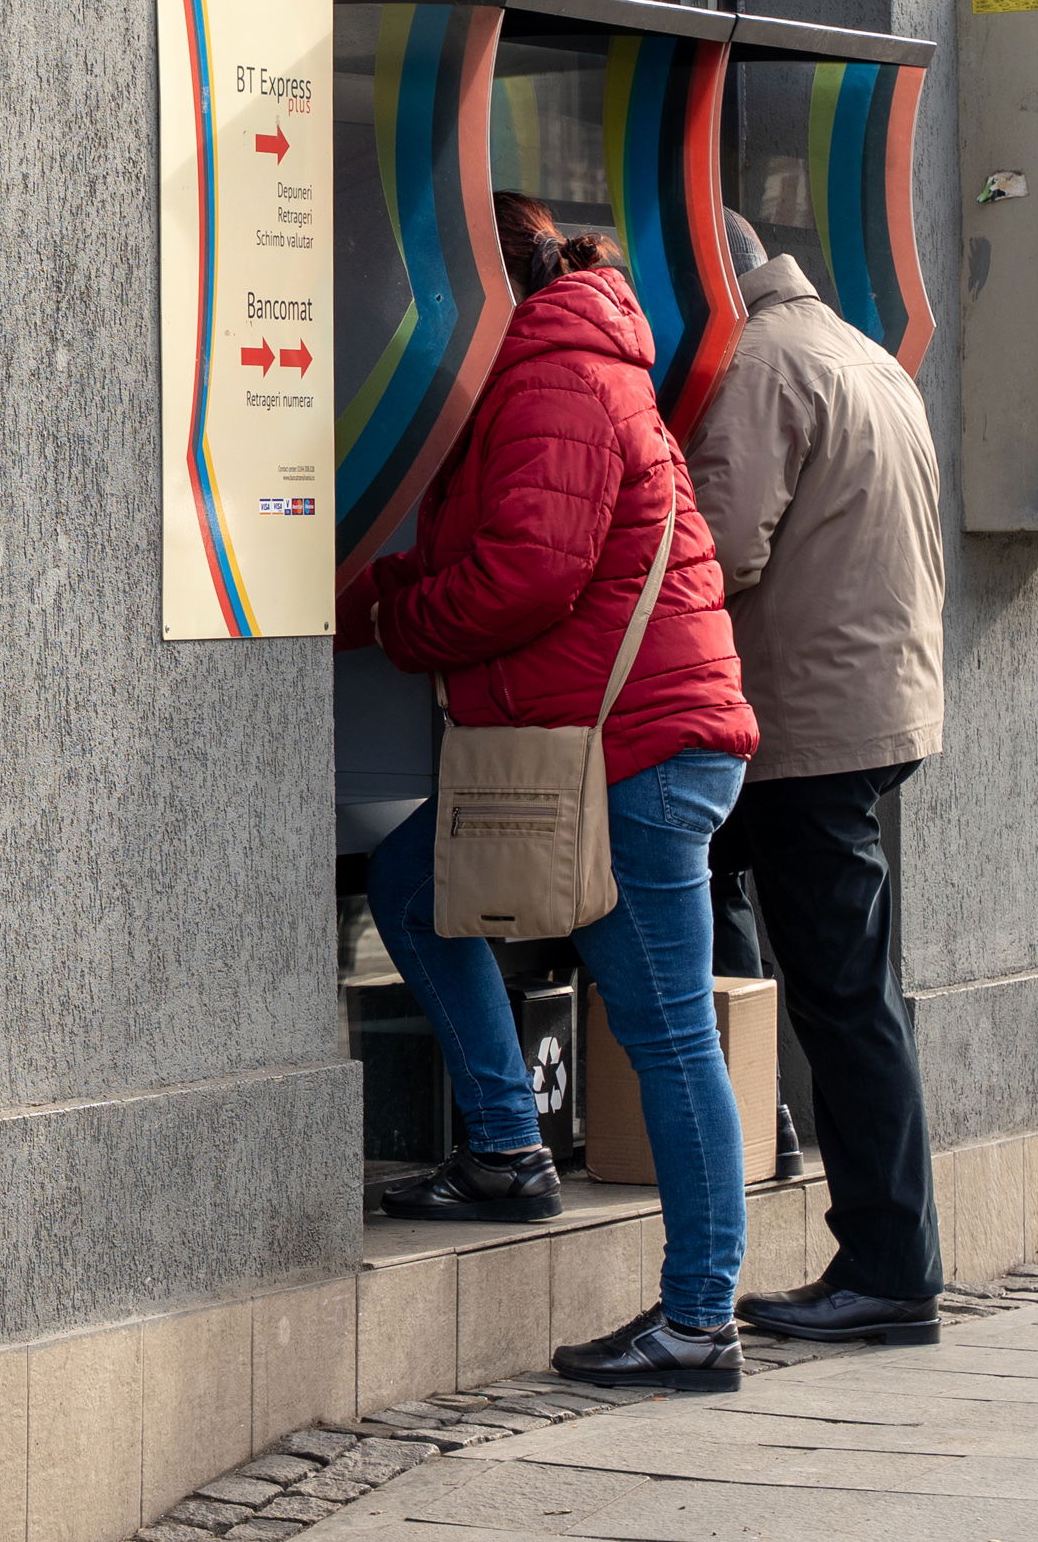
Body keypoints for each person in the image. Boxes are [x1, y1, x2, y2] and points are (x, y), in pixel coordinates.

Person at [338, 192, 760, 1391]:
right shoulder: (564, 363)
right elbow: (500, 533)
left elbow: (527, 571)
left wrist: (403, 624)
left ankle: (698, 1318)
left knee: (672, 1035)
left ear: (491, 285)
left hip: (634, 751)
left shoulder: (553, 377)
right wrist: (367, 596)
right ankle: (507, 1146)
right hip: (627, 741)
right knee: (413, 887)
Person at [684, 211, 948, 1346]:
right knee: (724, 889)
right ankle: (760, 1125)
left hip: (806, 722)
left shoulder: (762, 364)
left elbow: (719, 541)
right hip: (872, 708)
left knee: (845, 994)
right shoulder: (860, 352)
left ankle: (892, 1265)